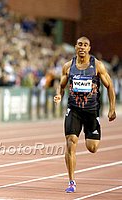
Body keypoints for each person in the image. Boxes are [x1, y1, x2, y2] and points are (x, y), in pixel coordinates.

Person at [53, 36, 116, 193]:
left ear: (89, 48)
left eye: (85, 45)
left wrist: (112, 108)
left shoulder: (97, 66)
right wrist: (59, 95)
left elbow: (110, 86)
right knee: (70, 142)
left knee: (92, 147)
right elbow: (61, 85)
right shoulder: (68, 66)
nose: (82, 47)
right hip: (73, 110)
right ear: (75, 47)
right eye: (79, 44)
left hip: (91, 111)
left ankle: (91, 133)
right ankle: (71, 181)